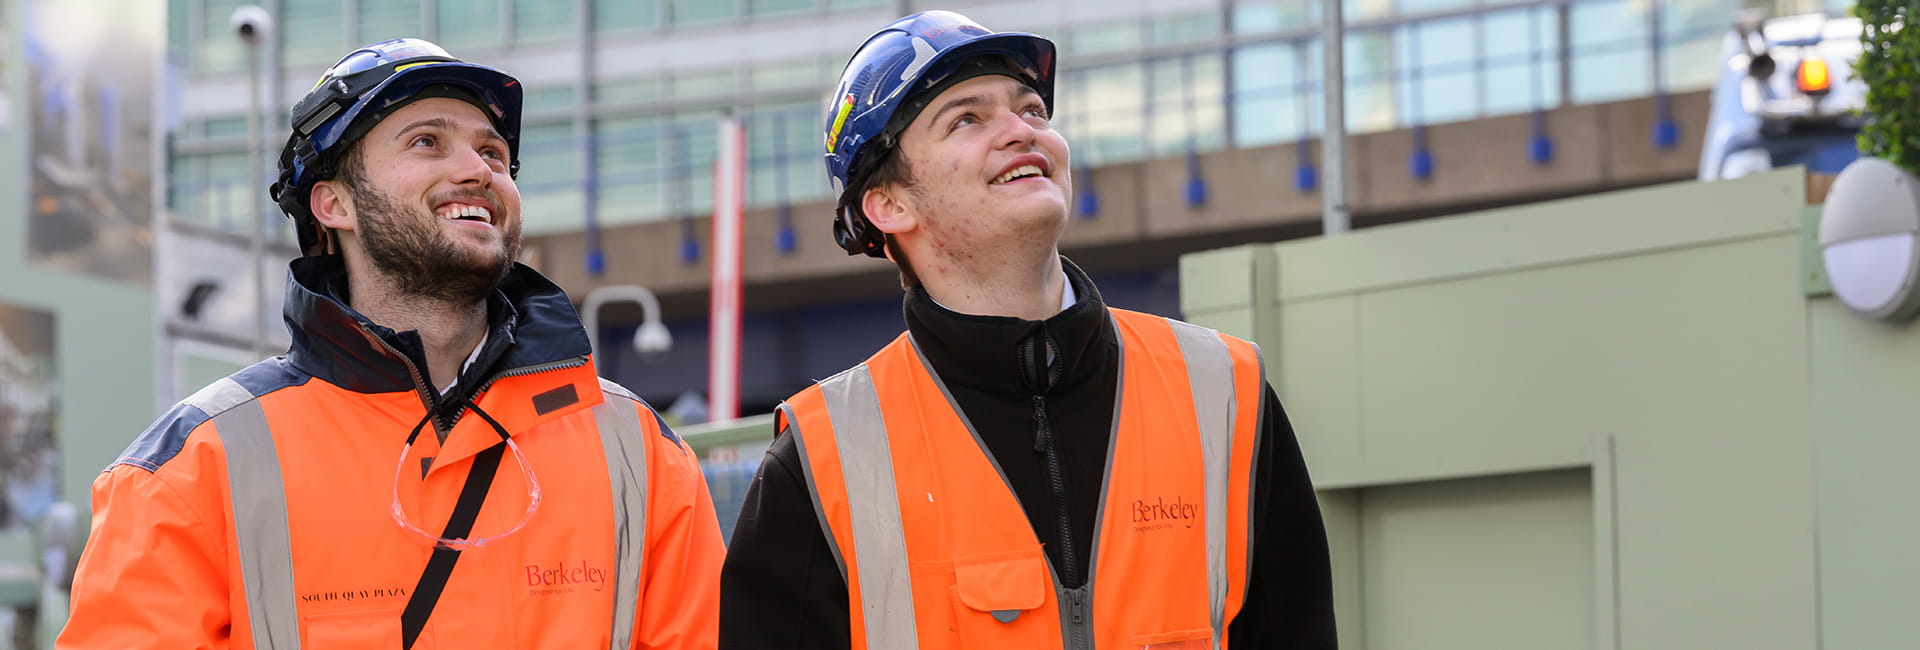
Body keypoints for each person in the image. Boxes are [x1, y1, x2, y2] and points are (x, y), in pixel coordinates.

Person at [59, 38, 723, 649]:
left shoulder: (638, 454)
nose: (477, 170)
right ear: (333, 205)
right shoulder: (190, 471)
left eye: (493, 153)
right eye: (427, 142)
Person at [719, 11, 1335, 650]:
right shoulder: (824, 459)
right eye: (967, 118)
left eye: (1032, 109)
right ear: (889, 203)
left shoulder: (1224, 392)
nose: (1022, 131)